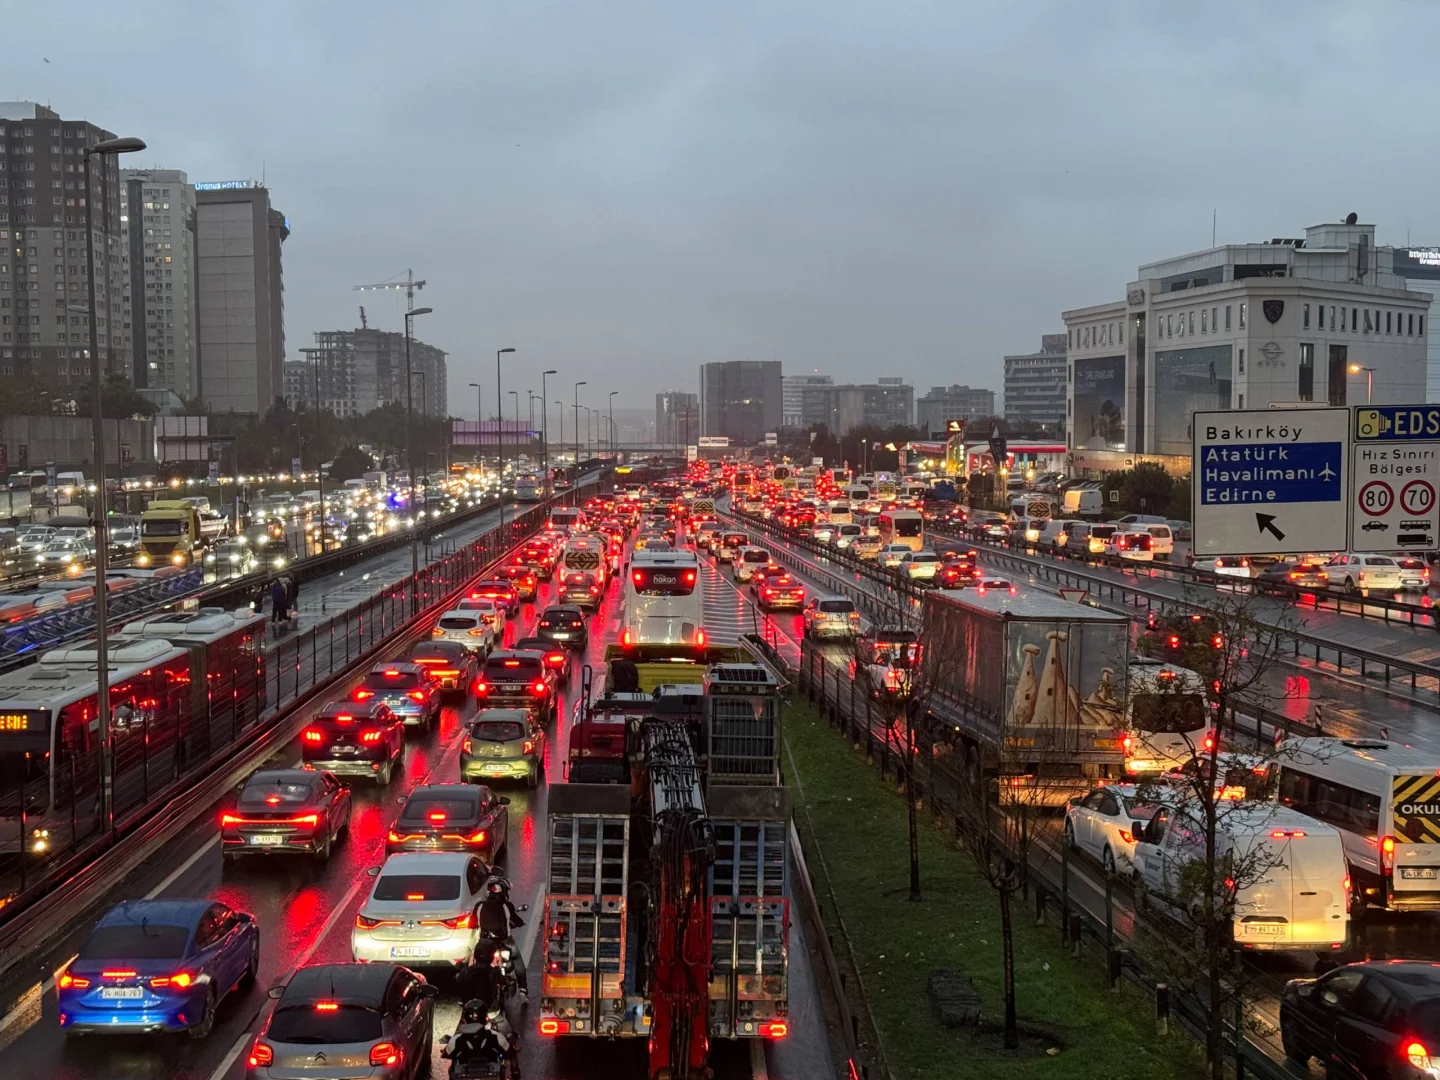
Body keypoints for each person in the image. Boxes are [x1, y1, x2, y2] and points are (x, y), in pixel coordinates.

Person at [479, 878, 528, 1001]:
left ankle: (469, 993)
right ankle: (523, 990)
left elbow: (472, 923)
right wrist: (520, 923)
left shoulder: (479, 906)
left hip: (485, 943)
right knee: (517, 961)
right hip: (505, 942)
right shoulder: (506, 906)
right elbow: (516, 921)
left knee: (473, 962)